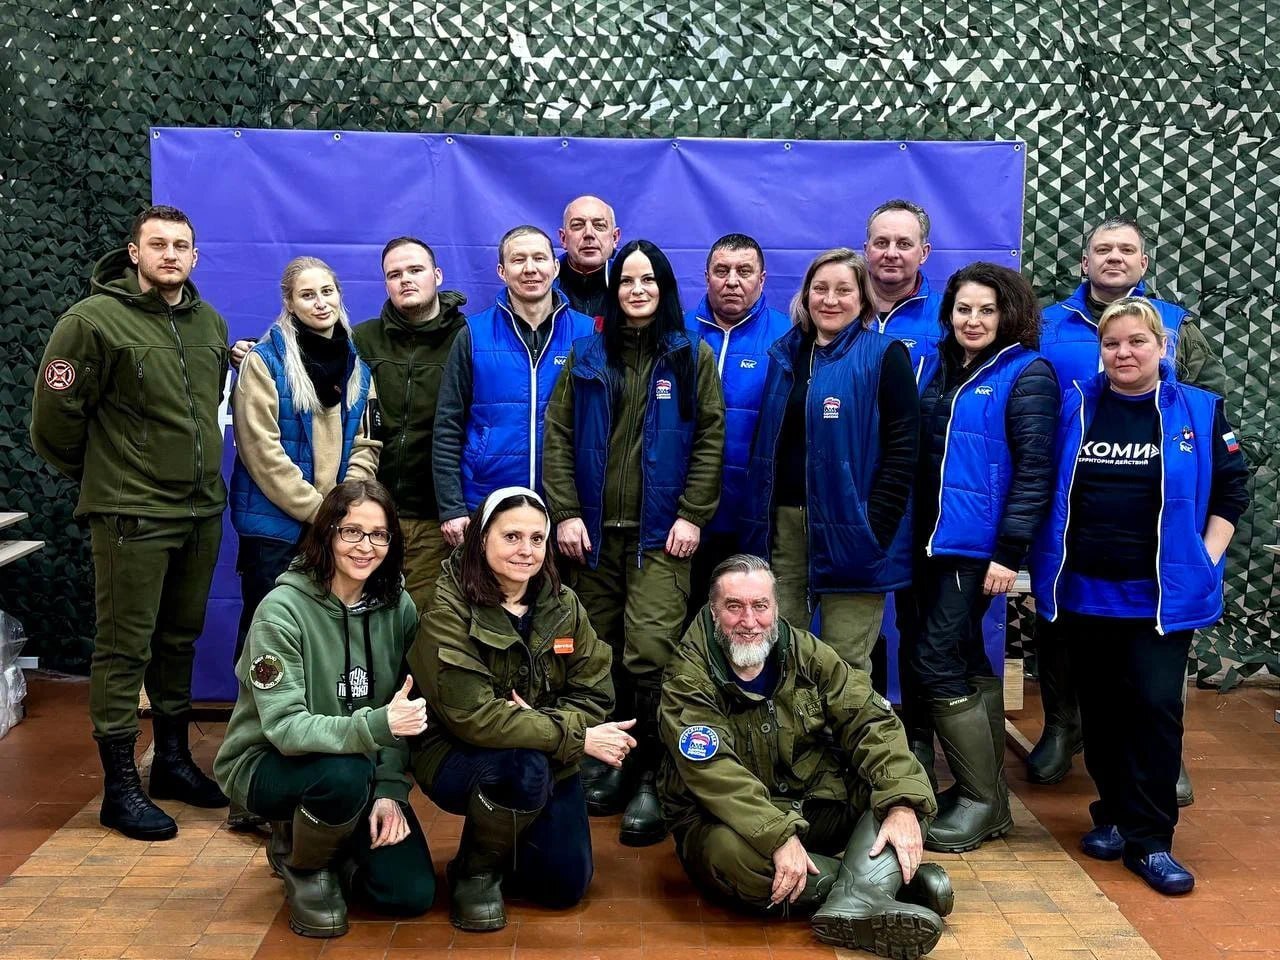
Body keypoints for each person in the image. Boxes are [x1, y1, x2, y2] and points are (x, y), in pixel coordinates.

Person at [1030, 297, 1248, 895]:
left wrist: (1205, 557)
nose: (1123, 353)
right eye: (1112, 344)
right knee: (1101, 713)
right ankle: (1114, 815)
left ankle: (1151, 840)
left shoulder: (1200, 409)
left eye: (1137, 342)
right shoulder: (1074, 406)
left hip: (1160, 600)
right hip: (1084, 594)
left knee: (1153, 709)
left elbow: (1232, 490)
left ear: (1162, 347)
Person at [31, 205, 231, 841]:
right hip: (132, 514)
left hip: (200, 510)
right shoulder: (91, 321)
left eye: (181, 245)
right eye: (158, 244)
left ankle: (171, 762)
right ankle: (120, 788)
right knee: (124, 647)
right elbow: (53, 424)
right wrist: (111, 477)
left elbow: (208, 408)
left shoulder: (209, 322)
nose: (170, 255)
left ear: (194, 256)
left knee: (179, 640)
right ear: (134, 253)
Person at [659, 555, 953, 958]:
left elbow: (870, 720)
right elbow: (714, 773)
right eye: (734, 607)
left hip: (815, 801)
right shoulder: (687, 675)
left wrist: (901, 804)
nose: (749, 621)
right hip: (731, 822)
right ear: (713, 611)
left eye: (760, 606)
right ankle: (880, 887)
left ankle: (856, 894)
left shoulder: (807, 652)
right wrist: (777, 835)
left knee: (902, 789)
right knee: (729, 859)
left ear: (776, 608)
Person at [1030, 217, 1226, 798]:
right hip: (1071, 513)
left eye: (1126, 249)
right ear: (1084, 262)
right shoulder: (1045, 325)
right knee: (1063, 630)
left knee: (1157, 650)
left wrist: (1205, 550)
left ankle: (1162, 750)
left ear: (1143, 263)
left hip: (1159, 521)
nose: (1113, 257)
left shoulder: (1178, 325)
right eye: (1102, 249)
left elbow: (1209, 416)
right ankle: (1063, 727)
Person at [543, 238, 725, 846]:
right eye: (626, 280)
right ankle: (612, 761)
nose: (637, 289)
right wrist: (566, 513)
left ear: (665, 288)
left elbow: (710, 439)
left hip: (660, 538)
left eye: (649, 280)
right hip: (592, 538)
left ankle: (652, 775)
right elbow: (558, 436)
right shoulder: (586, 355)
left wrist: (692, 514)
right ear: (613, 289)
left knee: (650, 652)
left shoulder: (690, 355)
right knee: (596, 650)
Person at [214, 480, 433, 936]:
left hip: (362, 763)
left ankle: (336, 841)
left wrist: (390, 791)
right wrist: (378, 726)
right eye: (351, 531)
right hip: (268, 763)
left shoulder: (398, 606)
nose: (365, 547)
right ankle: (304, 865)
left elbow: (403, 708)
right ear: (327, 533)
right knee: (341, 775)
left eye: (379, 534)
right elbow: (285, 728)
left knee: (407, 894)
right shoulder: (281, 610)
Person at [407, 487, 625, 932]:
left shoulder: (563, 604)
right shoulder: (446, 605)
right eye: (512, 537)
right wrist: (571, 734)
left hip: (548, 751)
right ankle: (475, 871)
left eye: (537, 538)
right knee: (521, 767)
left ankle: (511, 837)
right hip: (454, 751)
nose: (526, 550)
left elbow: (596, 693)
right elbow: (473, 716)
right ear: (481, 537)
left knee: (564, 887)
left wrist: (542, 728)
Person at [906, 263, 1058, 853]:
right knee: (964, 655)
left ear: (1009, 314)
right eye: (963, 309)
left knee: (935, 656)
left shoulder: (1028, 372)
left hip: (977, 549)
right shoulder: (940, 366)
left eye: (986, 310)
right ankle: (986, 793)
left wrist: (1008, 553)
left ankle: (981, 801)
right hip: (927, 542)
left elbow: (1035, 471)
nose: (973, 320)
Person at [742, 249, 919, 674]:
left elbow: (903, 450)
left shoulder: (885, 355)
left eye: (844, 290)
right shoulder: (785, 356)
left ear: (863, 298)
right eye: (820, 289)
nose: (830, 299)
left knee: (846, 663)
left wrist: (874, 526)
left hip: (853, 529)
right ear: (805, 296)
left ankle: (846, 724)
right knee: (779, 652)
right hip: (785, 529)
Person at [230, 256, 381, 663]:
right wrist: (322, 512)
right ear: (289, 303)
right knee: (266, 636)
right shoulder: (263, 362)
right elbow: (262, 453)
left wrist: (345, 507)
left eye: (327, 292)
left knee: (325, 640)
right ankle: (257, 708)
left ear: (339, 296)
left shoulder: (359, 369)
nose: (320, 303)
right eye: (307, 295)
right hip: (275, 530)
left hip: (336, 526)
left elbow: (367, 444)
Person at [433, 225, 595, 548]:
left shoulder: (587, 333)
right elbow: (448, 426)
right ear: (502, 271)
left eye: (539, 258)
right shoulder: (473, 334)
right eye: (518, 260)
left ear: (555, 267)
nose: (530, 268)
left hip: (567, 512)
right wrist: (452, 507)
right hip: (487, 503)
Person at [353, 237, 468, 613]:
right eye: (394, 274)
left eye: (415, 270)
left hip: (435, 519)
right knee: (362, 621)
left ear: (437, 275)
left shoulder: (468, 338)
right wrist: (251, 350)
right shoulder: (362, 339)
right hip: (370, 513)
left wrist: (454, 506)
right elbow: (306, 355)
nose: (405, 279)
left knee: (421, 625)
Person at [683, 233, 793, 619]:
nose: (732, 281)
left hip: (754, 511)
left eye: (744, 271)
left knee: (745, 620)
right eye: (722, 271)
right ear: (706, 277)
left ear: (762, 279)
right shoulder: (678, 332)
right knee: (687, 617)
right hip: (684, 512)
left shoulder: (787, 337)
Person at [864, 199, 946, 371]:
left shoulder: (947, 315)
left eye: (904, 244)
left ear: (924, 253)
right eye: (881, 243)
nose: (891, 254)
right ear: (866, 250)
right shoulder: (838, 309)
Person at [556, 194, 621, 317]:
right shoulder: (547, 283)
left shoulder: (634, 282)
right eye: (577, 225)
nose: (589, 233)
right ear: (563, 239)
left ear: (615, 237)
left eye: (599, 225)